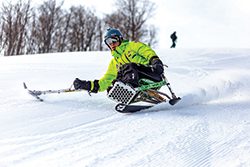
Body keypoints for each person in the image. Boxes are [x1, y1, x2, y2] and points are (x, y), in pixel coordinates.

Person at [73, 28, 164, 93]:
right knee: (114, 81)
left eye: (114, 41)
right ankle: (126, 90)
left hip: (151, 75)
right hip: (137, 84)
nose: (112, 44)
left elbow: (146, 51)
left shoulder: (132, 46)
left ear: (120, 39)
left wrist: (155, 61)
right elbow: (107, 79)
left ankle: (129, 87)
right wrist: (88, 85)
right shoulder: (114, 62)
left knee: (128, 66)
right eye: (109, 42)